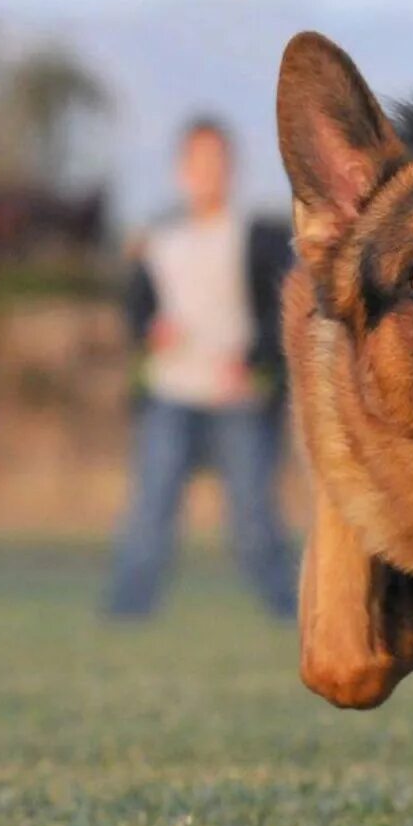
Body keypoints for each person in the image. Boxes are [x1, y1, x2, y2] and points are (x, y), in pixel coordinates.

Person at [106, 117, 295, 619]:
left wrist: (255, 361)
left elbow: (284, 312)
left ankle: (292, 612)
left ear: (230, 169)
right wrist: (150, 330)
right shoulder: (158, 239)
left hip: (240, 399)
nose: (209, 172)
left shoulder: (257, 234)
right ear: (182, 170)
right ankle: (126, 612)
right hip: (172, 394)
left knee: (253, 523)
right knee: (149, 515)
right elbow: (137, 311)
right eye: (199, 162)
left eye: (218, 162)